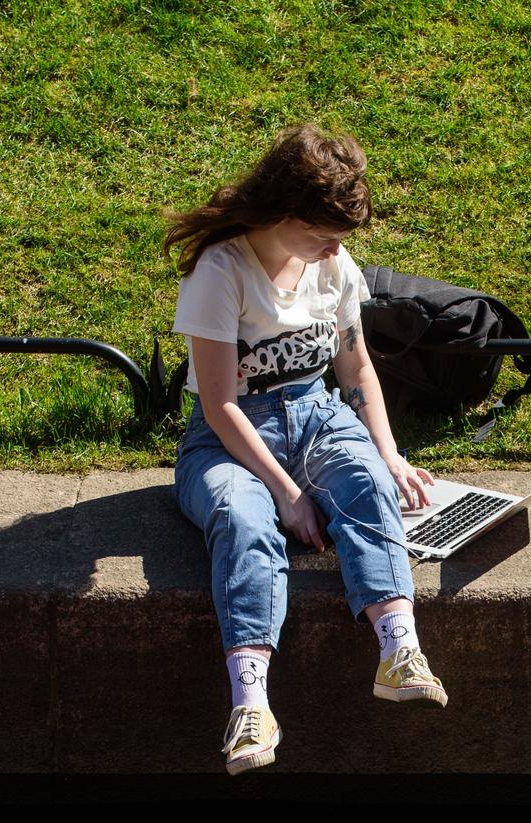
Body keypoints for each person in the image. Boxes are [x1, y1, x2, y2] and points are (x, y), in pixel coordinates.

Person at [165, 124, 447, 776]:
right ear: (284, 212)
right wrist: (288, 495)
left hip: (315, 416)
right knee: (243, 517)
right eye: (324, 230)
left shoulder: (334, 266)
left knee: (366, 481)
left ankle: (399, 651)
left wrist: (390, 453)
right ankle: (251, 706)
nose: (337, 247)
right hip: (226, 440)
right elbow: (218, 405)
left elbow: (355, 371)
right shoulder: (222, 271)